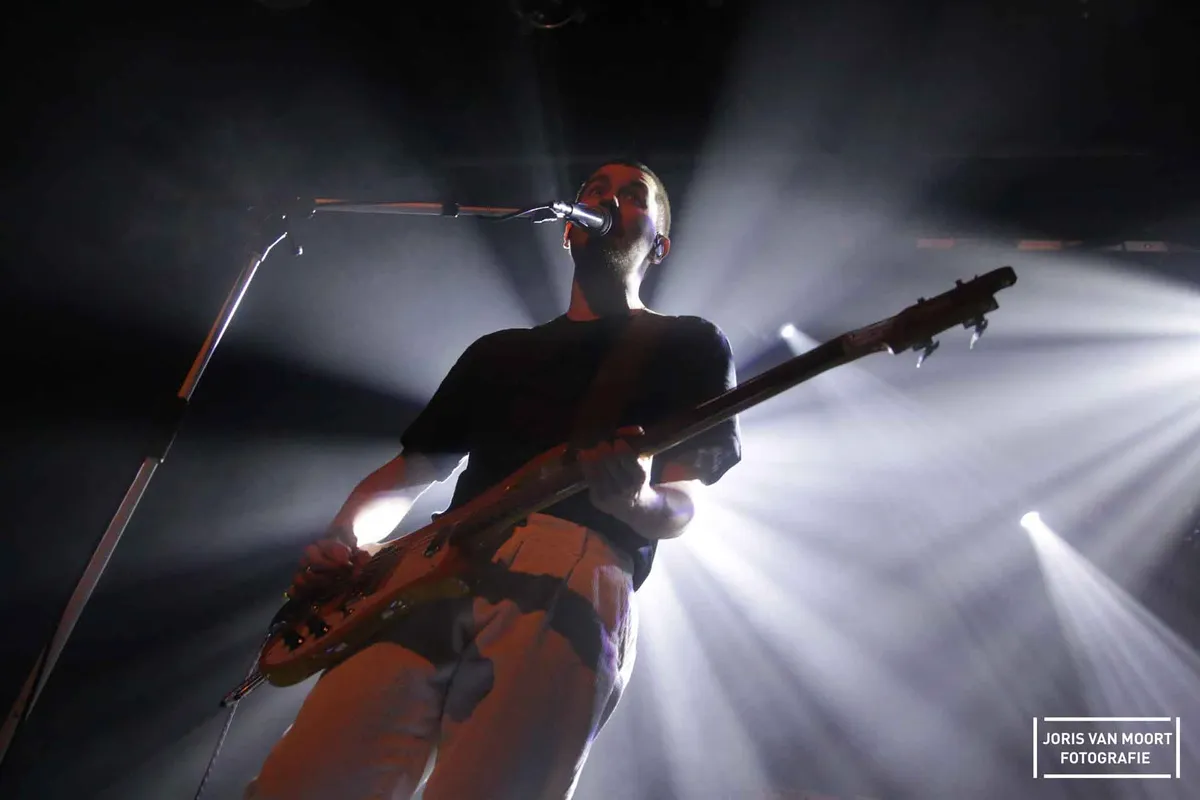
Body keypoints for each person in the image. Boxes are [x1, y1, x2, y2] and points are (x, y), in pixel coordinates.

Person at [245, 161, 743, 800]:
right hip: (424, 568)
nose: (607, 199)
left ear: (660, 246)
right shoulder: (500, 351)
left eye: (632, 195)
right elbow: (410, 472)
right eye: (595, 189)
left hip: (571, 563)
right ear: (567, 228)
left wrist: (634, 499)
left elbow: (683, 504)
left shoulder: (688, 344)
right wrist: (346, 543)